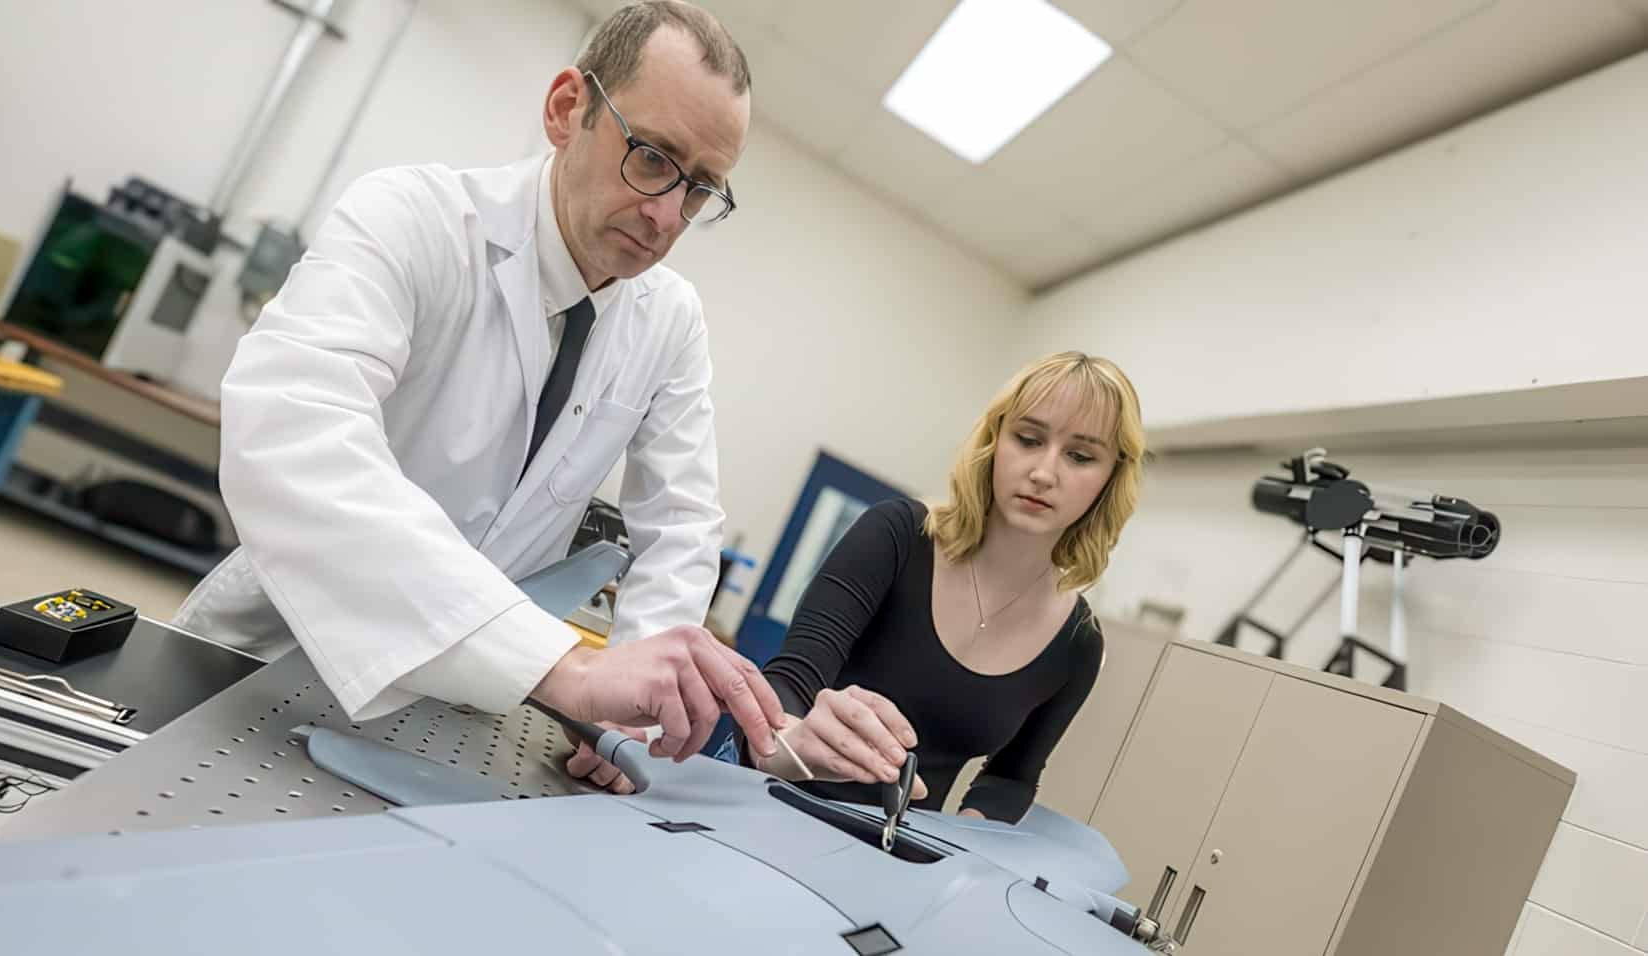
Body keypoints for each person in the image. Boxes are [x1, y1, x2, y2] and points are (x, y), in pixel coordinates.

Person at [174, 1, 786, 766]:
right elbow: (293, 435)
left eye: (700, 189)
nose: (666, 215)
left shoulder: (669, 321)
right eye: (653, 158)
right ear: (568, 110)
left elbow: (682, 526)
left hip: (456, 710)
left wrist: (634, 714)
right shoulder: (414, 217)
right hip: (266, 662)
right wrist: (565, 668)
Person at [743, 352, 1146, 821]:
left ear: (1110, 478)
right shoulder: (896, 536)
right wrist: (784, 746)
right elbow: (792, 679)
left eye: (1079, 456)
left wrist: (968, 844)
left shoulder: (1078, 643)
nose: (1044, 472)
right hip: (776, 816)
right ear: (995, 441)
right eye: (1028, 439)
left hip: (902, 865)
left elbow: (1011, 776)